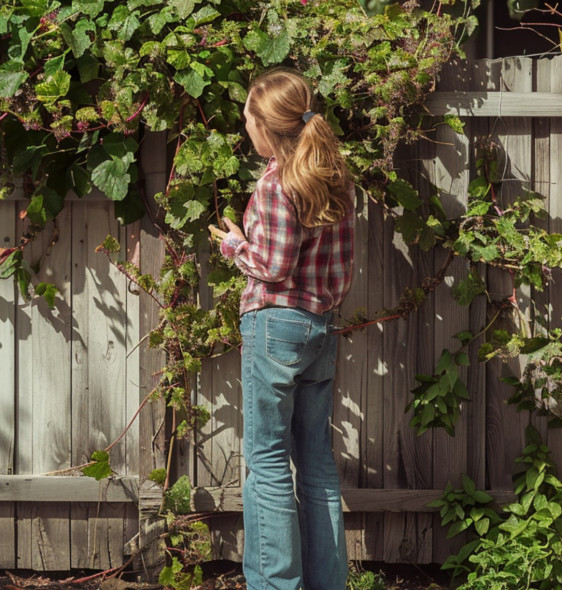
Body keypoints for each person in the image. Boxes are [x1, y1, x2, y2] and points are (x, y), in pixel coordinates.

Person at [216, 67, 355, 590]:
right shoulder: (332, 175)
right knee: (316, 460)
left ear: (265, 126)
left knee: (268, 462)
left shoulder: (277, 182)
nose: (245, 127)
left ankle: (275, 586)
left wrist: (234, 246)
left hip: (275, 325)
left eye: (248, 118)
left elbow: (273, 266)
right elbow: (338, 266)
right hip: (321, 326)